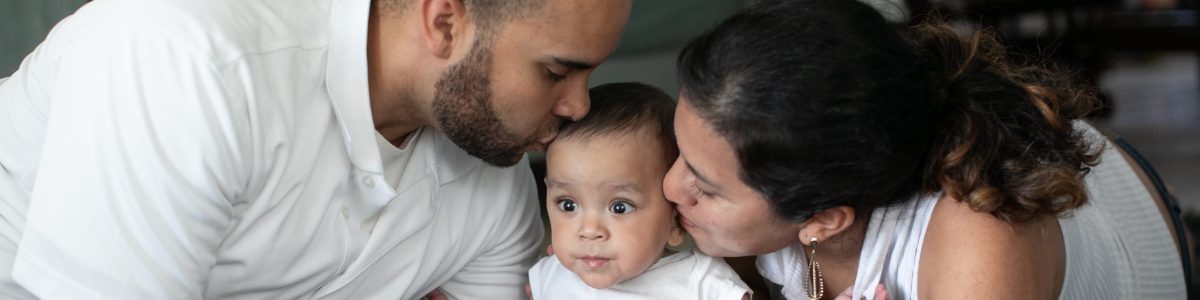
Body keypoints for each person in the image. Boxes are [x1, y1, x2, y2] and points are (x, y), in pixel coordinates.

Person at [0, 0, 631, 298]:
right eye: (556, 72)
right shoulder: (182, 62)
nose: (579, 106)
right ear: (444, 21)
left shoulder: (491, 167)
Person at [664, 0, 1187, 299]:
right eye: (682, 154)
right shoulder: (773, 176)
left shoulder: (982, 253)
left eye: (703, 187)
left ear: (824, 220)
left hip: (1137, 236)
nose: (669, 185)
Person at [529, 82, 751, 299]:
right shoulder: (549, 276)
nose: (589, 231)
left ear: (674, 221)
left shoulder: (703, 283)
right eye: (568, 204)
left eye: (619, 207)